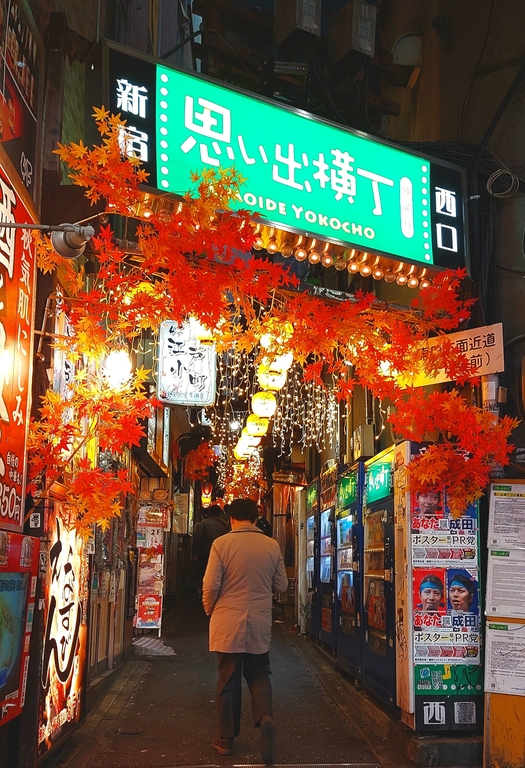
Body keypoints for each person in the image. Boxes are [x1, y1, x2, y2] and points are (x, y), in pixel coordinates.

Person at [203, 497, 288, 763]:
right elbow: (282, 585)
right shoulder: (271, 545)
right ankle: (264, 718)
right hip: (259, 621)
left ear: (231, 518)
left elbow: (210, 585)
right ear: (256, 518)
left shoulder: (222, 544)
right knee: (259, 673)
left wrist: (210, 610)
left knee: (228, 678)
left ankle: (226, 740)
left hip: (227, 620)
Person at [192, 504, 229, 582]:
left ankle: (202, 589)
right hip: (221, 553)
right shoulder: (225, 525)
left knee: (204, 572)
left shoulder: (202, 524)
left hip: (204, 552)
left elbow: (197, 538)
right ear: (220, 513)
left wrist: (195, 553)